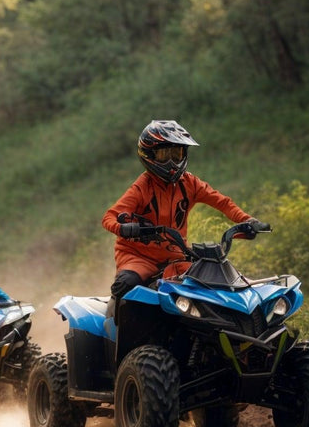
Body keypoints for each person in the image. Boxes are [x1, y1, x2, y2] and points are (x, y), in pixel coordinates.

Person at [102, 119, 263, 302]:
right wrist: (124, 228)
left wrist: (248, 221)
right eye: (164, 154)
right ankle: (114, 328)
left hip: (176, 256)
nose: (172, 162)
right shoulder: (141, 187)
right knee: (125, 284)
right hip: (139, 257)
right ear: (149, 155)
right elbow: (109, 217)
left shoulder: (190, 183)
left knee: (213, 281)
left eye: (176, 154)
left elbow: (223, 203)